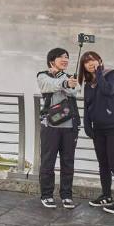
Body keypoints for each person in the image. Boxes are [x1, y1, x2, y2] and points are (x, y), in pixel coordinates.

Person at [78, 51, 114, 214]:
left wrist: (99, 72)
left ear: (99, 61)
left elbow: (108, 91)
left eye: (93, 60)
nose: (90, 63)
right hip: (98, 130)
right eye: (86, 62)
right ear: (83, 66)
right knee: (103, 165)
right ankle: (106, 195)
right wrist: (87, 125)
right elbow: (87, 107)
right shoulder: (88, 84)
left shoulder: (111, 75)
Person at [37, 48, 80, 209]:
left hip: (70, 126)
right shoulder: (42, 75)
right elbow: (46, 86)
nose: (65, 60)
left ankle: (66, 196)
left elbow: (75, 91)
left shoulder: (70, 77)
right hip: (50, 125)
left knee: (68, 161)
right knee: (48, 160)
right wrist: (64, 84)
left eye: (67, 57)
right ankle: (47, 195)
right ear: (51, 60)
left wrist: (67, 83)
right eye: (61, 57)